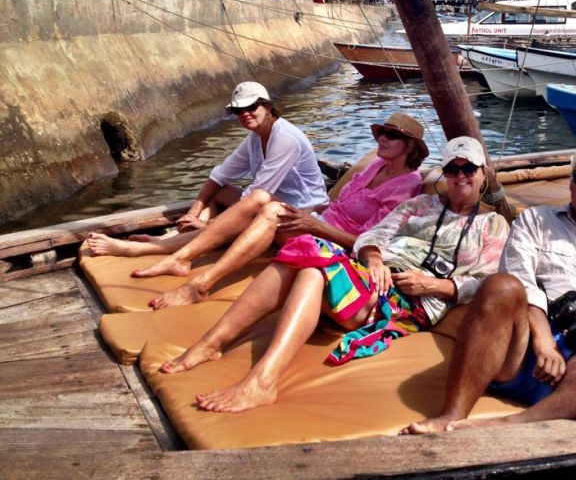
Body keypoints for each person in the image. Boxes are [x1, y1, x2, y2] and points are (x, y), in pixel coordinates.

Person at [159, 136, 510, 413]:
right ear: (445, 174)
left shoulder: (491, 224)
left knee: (313, 264)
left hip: (411, 301)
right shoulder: (419, 205)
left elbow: (485, 281)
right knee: (306, 257)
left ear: (483, 174)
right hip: (375, 276)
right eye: (453, 169)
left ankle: (263, 380)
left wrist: (434, 285)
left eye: (469, 169)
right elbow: (374, 237)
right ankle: (211, 344)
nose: (460, 176)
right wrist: (373, 257)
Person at [403, 140, 576, 434]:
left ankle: (511, 423)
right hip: (521, 351)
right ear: (571, 184)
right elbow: (519, 278)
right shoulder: (536, 220)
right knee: (502, 285)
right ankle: (450, 416)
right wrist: (544, 342)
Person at [145, 112, 428, 309]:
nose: (381, 138)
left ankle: (200, 282)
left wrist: (314, 225)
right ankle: (174, 252)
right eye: (382, 133)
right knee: (260, 202)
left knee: (266, 210)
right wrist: (315, 212)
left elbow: (369, 244)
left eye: (391, 135)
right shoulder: (377, 165)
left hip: (337, 248)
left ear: (410, 147)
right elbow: (339, 204)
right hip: (318, 222)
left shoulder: (406, 187)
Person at [87, 82, 327, 265]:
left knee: (249, 205)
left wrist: (208, 223)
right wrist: (193, 213)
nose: (245, 114)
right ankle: (181, 232)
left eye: (251, 107)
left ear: (267, 106)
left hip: (303, 211)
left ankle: (151, 247)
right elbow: (220, 175)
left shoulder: (284, 138)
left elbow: (257, 195)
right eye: (239, 110)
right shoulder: (255, 138)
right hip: (275, 203)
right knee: (222, 192)